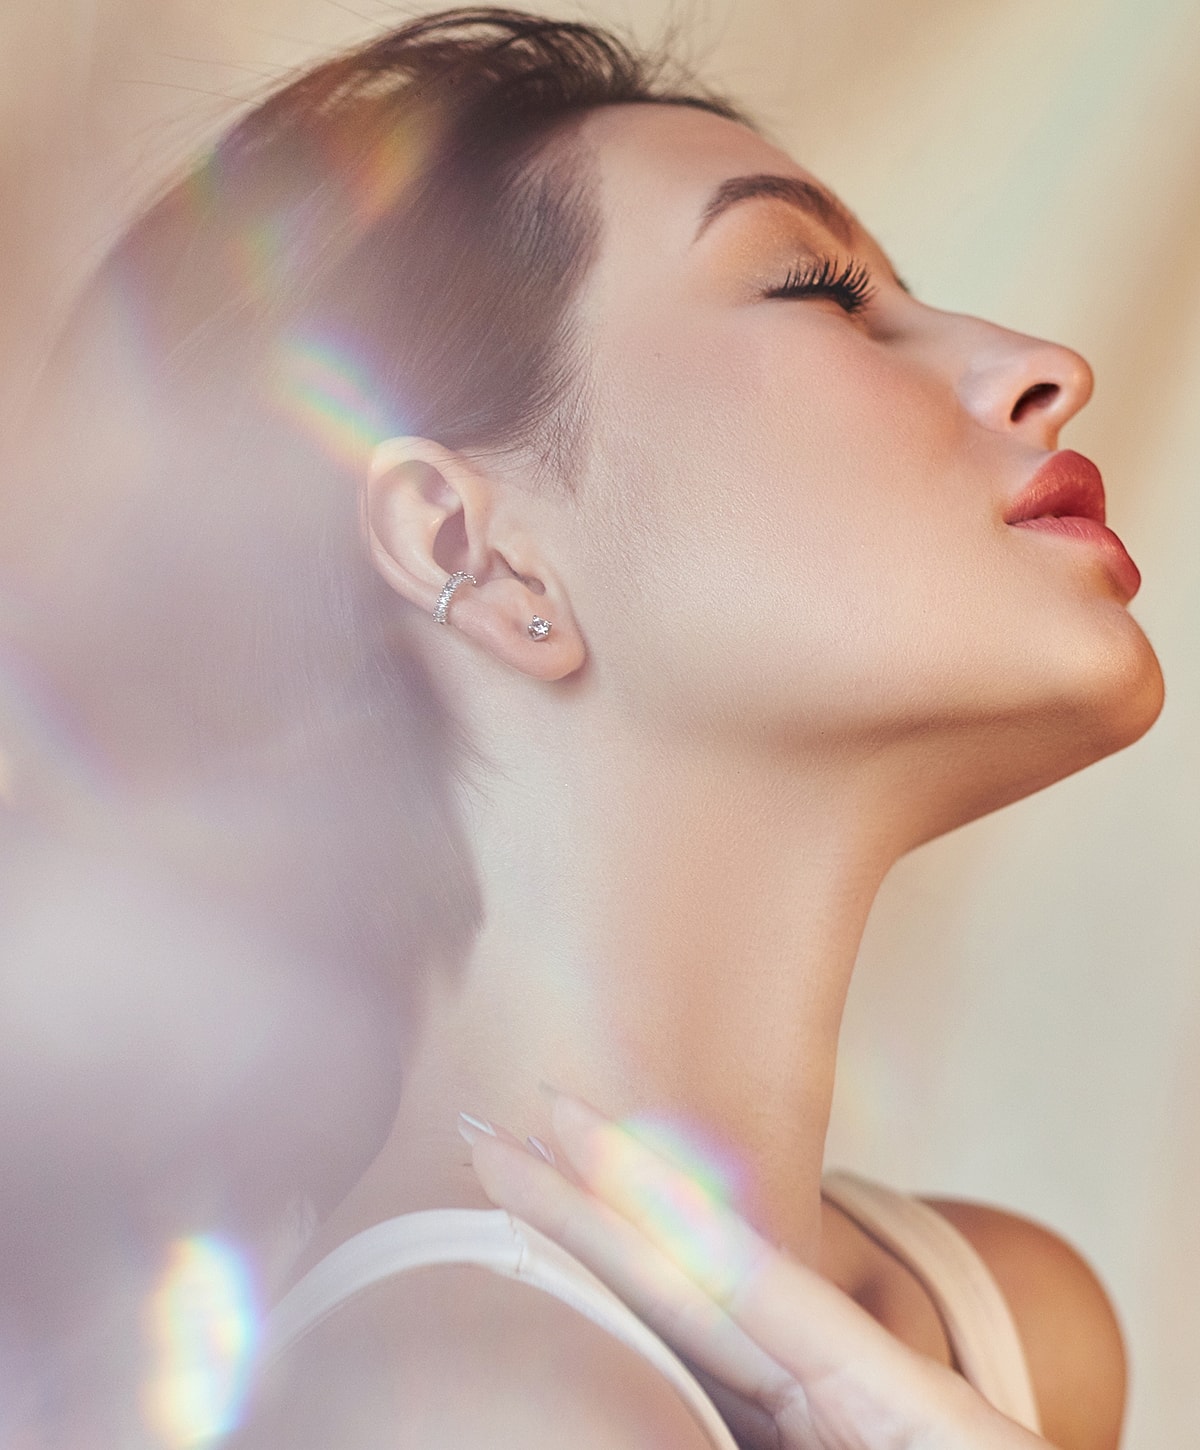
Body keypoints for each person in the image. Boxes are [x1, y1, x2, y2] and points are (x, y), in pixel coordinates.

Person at [1, 7, 1163, 1448]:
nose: (1047, 365)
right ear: (466, 547)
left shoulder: (1008, 1322)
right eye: (821, 289)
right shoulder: (468, 1406)